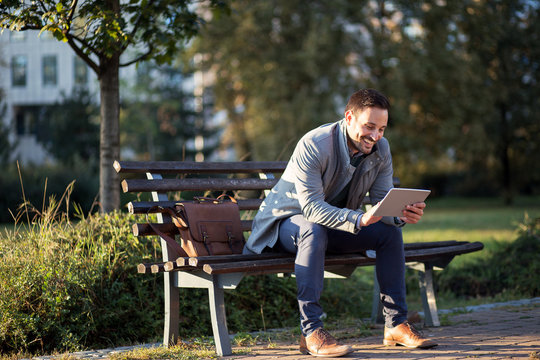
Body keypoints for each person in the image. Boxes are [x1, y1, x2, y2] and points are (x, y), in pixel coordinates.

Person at [243, 89, 438, 357]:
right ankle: (311, 331)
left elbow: (382, 201)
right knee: (312, 229)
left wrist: (400, 214)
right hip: (283, 227)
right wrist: (358, 218)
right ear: (349, 117)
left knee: (389, 234)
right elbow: (311, 208)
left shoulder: (381, 148)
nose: (376, 135)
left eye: (381, 128)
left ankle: (395, 324)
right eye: (369, 126)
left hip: (330, 227)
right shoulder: (314, 144)